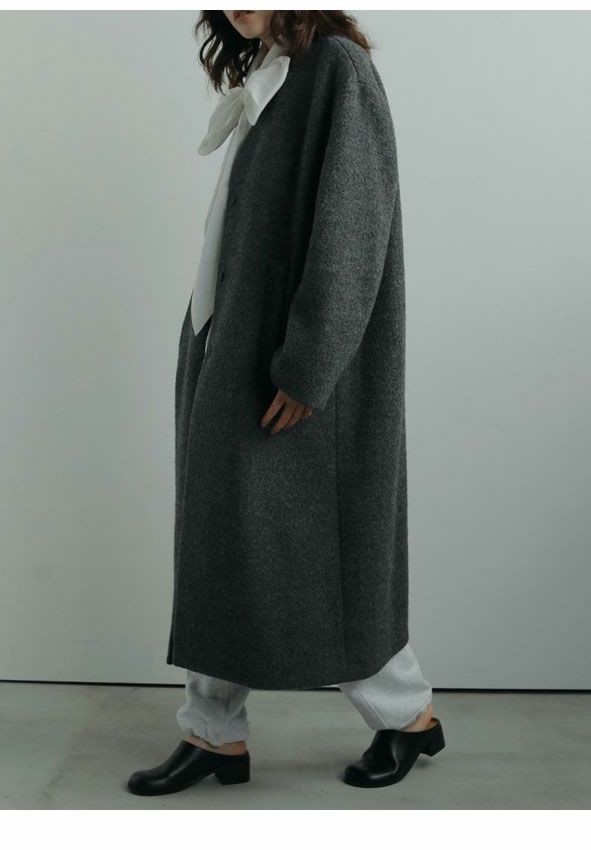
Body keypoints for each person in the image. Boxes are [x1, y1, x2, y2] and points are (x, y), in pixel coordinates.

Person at [127, 9, 445, 796]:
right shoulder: (272, 70)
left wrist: (307, 368)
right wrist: (205, 341)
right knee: (221, 545)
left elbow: (353, 229)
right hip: (227, 350)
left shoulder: (338, 70)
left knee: (324, 558)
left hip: (287, 364)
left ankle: (408, 716)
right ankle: (212, 732)